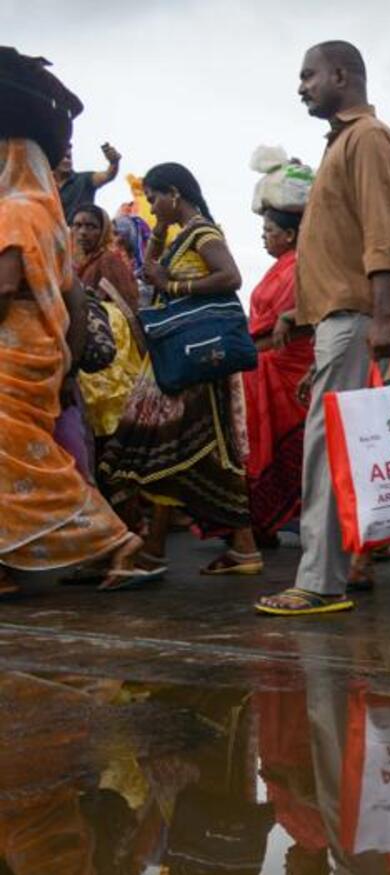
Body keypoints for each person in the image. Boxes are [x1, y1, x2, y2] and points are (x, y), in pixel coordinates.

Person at [256, 40, 390, 616]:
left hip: (355, 318)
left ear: (341, 75)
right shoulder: (342, 144)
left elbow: (383, 233)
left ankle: (319, 583)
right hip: (338, 319)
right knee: (354, 446)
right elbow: (338, 245)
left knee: (327, 451)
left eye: (308, 75)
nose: (301, 87)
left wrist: (387, 315)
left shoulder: (368, 140)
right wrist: (300, 313)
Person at [0, 63, 146, 594]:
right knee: (19, 461)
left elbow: (3, 285)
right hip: (41, 352)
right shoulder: (49, 215)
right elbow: (69, 292)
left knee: (23, 463)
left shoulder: (14, 213)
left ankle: (114, 539)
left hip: (10, 355)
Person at [96, 163, 261, 583]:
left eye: (154, 197)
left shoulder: (204, 232)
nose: (151, 205)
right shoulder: (179, 235)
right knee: (180, 451)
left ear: (173, 192)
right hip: (180, 361)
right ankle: (171, 549)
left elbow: (231, 277)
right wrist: (160, 246)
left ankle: (185, 549)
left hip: (199, 361)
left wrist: (174, 287)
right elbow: (150, 274)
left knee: (190, 449)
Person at [243, 206, 312, 544]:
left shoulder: (299, 266)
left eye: (270, 229)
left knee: (296, 443)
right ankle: (267, 520)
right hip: (265, 363)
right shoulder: (277, 269)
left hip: (289, 362)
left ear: (290, 234)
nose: (263, 235)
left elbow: (292, 320)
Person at [68, 204, 143, 444]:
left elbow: (127, 303)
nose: (82, 232)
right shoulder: (71, 262)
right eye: (77, 225)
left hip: (109, 348)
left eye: (91, 226)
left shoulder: (109, 260)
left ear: (103, 231)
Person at [52, 140, 119, 220]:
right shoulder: (44, 185)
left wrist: (114, 162)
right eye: (62, 157)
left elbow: (108, 175)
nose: (66, 160)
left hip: (79, 231)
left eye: (68, 157)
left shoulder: (84, 179)